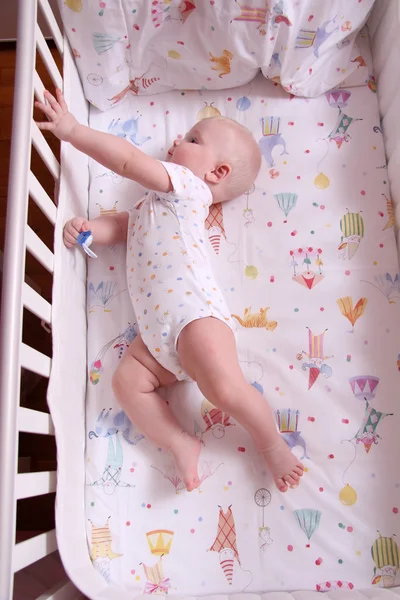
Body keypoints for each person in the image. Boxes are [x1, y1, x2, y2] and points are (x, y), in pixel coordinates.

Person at [35, 89, 304, 492]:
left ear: (217, 173)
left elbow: (127, 160)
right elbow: (124, 228)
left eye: (193, 140)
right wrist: (92, 228)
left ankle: (272, 444)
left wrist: (74, 131)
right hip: (158, 337)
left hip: (195, 317)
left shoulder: (185, 187)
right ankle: (179, 441)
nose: (177, 141)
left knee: (224, 389)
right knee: (127, 384)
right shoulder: (152, 204)